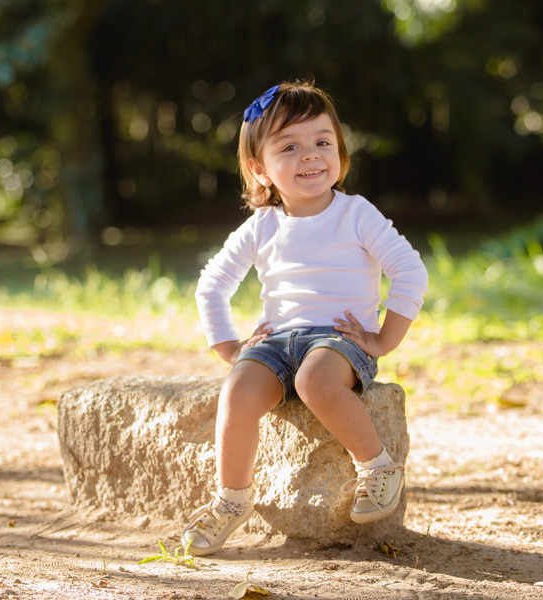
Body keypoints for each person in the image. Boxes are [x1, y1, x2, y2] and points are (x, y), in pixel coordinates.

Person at [181, 80, 428, 556]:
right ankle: (232, 500)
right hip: (277, 341)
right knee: (237, 388)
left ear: (340, 151)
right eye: (289, 146)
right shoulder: (263, 225)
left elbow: (409, 271)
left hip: (339, 340)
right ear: (260, 169)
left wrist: (384, 340)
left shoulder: (356, 214)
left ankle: (377, 466)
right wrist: (229, 348)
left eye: (322, 143)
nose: (310, 155)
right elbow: (212, 284)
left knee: (317, 380)